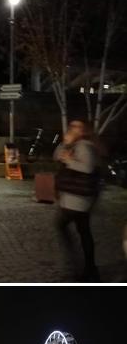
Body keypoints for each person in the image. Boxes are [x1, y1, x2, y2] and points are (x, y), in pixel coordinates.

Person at [54, 120, 101, 282]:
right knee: (84, 232)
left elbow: (87, 168)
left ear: (84, 131)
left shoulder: (84, 146)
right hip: (78, 198)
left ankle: (77, 267)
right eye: (71, 126)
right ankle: (89, 269)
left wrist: (69, 160)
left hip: (77, 198)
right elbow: (56, 156)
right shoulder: (75, 145)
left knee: (61, 225)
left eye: (77, 127)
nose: (72, 129)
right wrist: (65, 144)